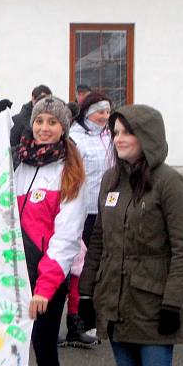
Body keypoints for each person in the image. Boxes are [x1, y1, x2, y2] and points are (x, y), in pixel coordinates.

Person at [79, 105, 183, 366]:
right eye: (115, 133)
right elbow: (98, 238)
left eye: (126, 132)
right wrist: (85, 292)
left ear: (147, 137)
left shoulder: (169, 183)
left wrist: (173, 302)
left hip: (154, 303)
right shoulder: (111, 179)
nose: (119, 139)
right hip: (114, 301)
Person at [0, 96, 87, 366]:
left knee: (44, 354)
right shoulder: (21, 161)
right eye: (39, 120)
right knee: (12, 354)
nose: (44, 127)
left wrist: (44, 288)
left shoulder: (69, 171)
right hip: (14, 277)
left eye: (52, 123)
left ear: (64, 128)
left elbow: (66, 238)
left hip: (47, 279)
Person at [64, 92, 114, 345]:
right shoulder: (75, 137)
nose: (105, 116)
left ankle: (93, 321)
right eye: (99, 111)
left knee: (97, 264)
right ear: (86, 112)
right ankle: (75, 320)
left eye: (107, 111)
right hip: (81, 209)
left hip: (105, 209)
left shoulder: (111, 136)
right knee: (77, 266)